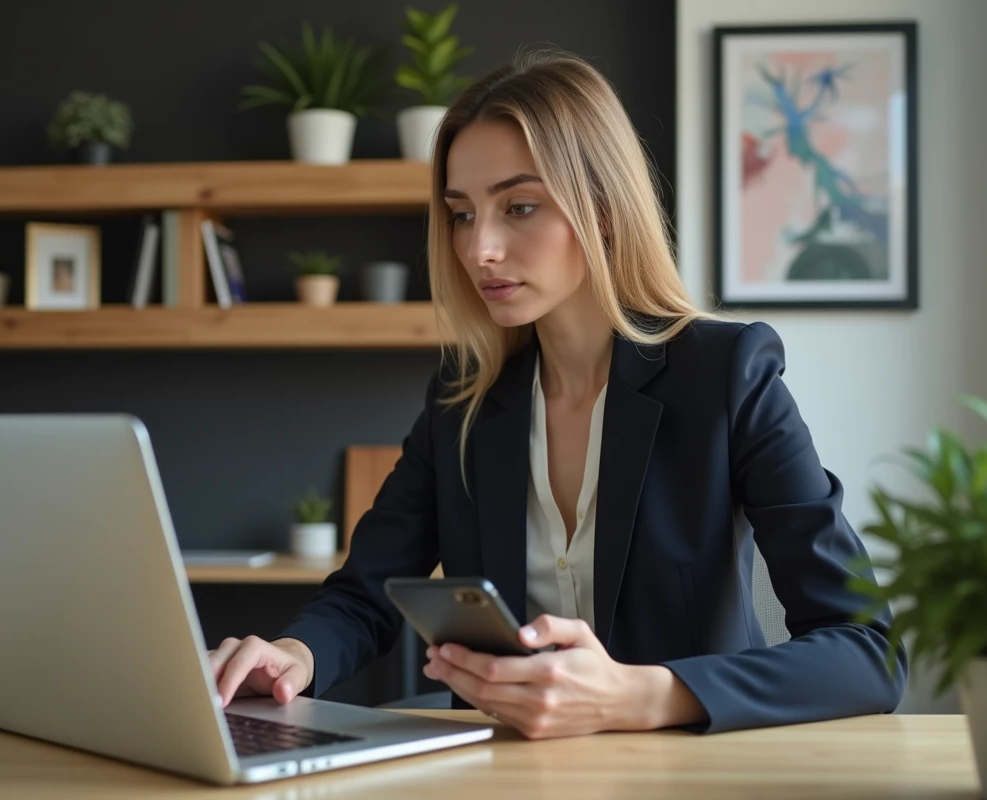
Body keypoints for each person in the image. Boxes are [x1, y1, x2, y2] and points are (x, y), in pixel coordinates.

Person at [208, 49, 907, 739]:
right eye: (460, 213)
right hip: (503, 778)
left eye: (518, 207)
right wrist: (292, 656)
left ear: (602, 209)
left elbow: (865, 651)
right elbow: (365, 596)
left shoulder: (728, 373)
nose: (479, 247)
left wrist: (644, 694)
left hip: (689, 778)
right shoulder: (463, 401)